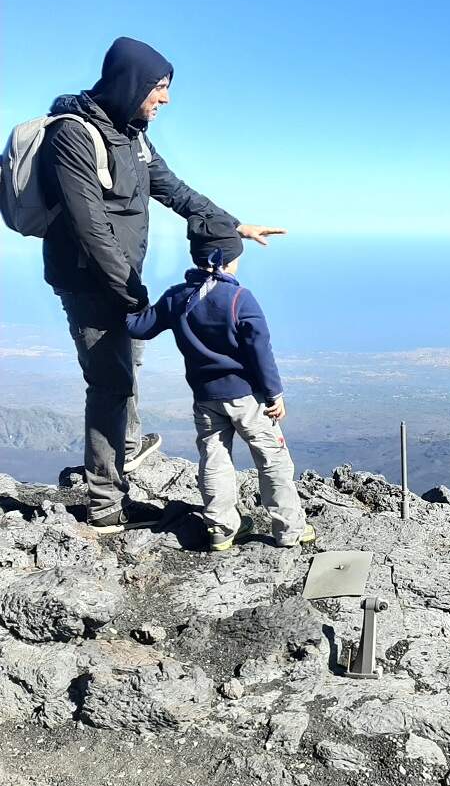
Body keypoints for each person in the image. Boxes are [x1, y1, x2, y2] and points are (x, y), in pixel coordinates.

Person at [39, 37, 285, 532]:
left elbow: (175, 191)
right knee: (109, 382)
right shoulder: (72, 135)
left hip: (124, 278)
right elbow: (90, 227)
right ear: (132, 84)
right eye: (160, 87)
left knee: (128, 365)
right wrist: (132, 296)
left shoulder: (133, 134)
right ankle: (106, 500)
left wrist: (232, 226)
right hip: (92, 283)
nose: (165, 99)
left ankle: (127, 448)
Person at [126, 216, 314, 551]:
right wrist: (275, 393)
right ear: (230, 259)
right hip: (249, 399)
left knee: (214, 458)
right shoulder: (240, 299)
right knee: (273, 460)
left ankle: (221, 528)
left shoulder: (176, 297)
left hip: (205, 398)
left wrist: (121, 292)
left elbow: (138, 328)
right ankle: (289, 530)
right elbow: (260, 351)